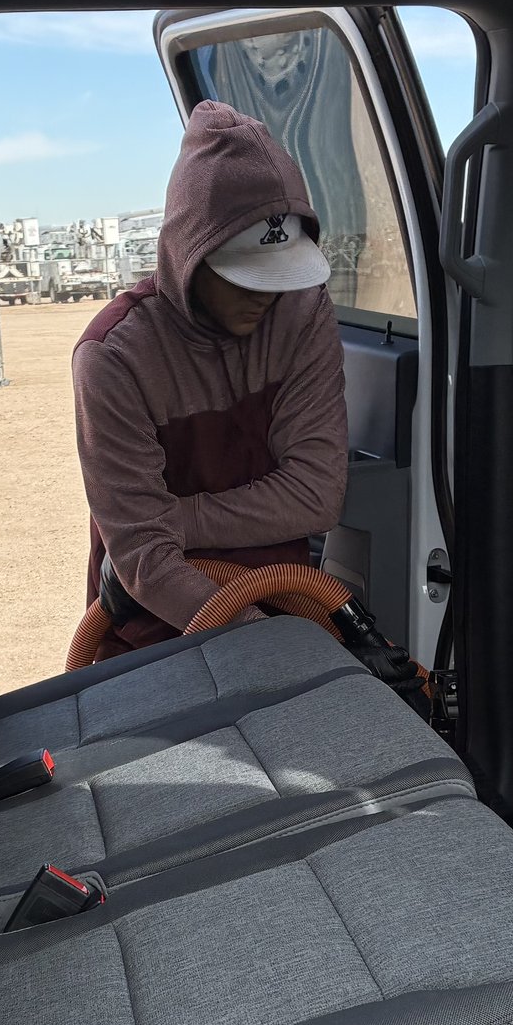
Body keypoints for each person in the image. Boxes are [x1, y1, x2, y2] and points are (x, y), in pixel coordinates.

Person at [73, 100, 348, 648]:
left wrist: (176, 520)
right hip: (153, 621)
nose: (265, 298)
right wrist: (250, 643)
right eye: (244, 278)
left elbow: (317, 495)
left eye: (279, 277)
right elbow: (146, 560)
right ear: (190, 256)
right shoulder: (114, 356)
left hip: (282, 602)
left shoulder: (302, 312)